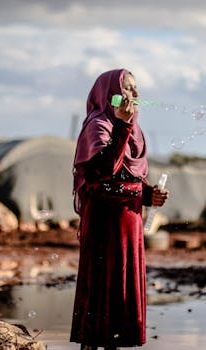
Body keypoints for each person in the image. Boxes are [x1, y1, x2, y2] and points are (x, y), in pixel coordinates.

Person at [70, 68, 169, 350]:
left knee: (121, 291)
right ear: (110, 93)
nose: (134, 95)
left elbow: (129, 177)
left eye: (136, 89)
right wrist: (122, 126)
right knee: (102, 288)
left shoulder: (134, 130)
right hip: (105, 222)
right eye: (127, 88)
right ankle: (91, 345)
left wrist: (150, 194)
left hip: (130, 221)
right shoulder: (98, 125)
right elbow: (101, 171)